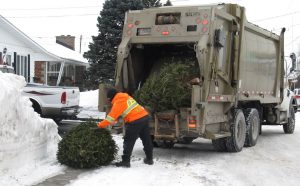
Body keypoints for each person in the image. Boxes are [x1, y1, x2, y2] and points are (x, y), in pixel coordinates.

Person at [98, 88, 153, 168]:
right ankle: (149, 159)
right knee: (146, 139)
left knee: (128, 141)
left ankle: (125, 161)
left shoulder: (118, 101)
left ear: (111, 97)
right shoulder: (125, 96)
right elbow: (122, 110)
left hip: (135, 121)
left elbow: (110, 118)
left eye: (109, 99)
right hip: (144, 117)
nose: (109, 100)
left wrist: (99, 125)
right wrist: (115, 119)